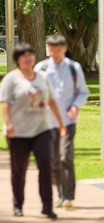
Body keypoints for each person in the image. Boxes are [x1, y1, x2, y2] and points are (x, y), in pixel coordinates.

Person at [0, 42, 67, 218]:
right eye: (24, 56)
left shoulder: (42, 77)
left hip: (42, 129)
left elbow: (50, 101)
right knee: (19, 171)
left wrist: (60, 123)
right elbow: (4, 103)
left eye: (30, 55)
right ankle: (18, 204)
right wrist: (9, 123)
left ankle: (47, 206)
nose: (28, 58)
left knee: (46, 166)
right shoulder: (11, 79)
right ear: (17, 60)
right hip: (18, 132)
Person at [34, 35, 90, 208]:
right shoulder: (41, 68)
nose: (54, 53)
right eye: (51, 50)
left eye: (57, 50)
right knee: (53, 159)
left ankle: (68, 196)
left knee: (66, 156)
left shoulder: (74, 68)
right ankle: (60, 193)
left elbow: (83, 92)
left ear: (64, 49)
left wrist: (75, 107)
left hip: (67, 121)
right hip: (47, 123)